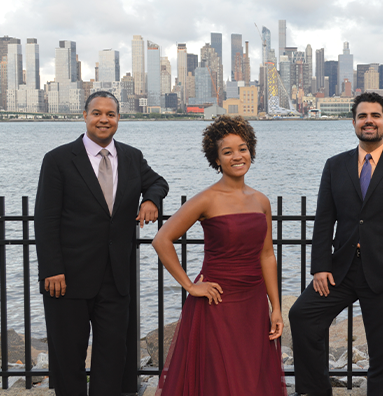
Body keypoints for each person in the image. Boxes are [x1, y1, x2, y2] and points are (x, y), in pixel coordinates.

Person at [289, 92, 383, 396]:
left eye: (375, 116)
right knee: (303, 315)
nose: (369, 121)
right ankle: (316, 391)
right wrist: (320, 267)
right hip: (340, 270)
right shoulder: (335, 165)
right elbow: (324, 220)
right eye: (362, 116)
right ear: (353, 122)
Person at [34, 91, 169, 396]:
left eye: (111, 114)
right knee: (68, 357)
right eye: (97, 113)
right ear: (85, 116)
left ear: (118, 119)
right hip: (67, 279)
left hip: (115, 278)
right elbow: (45, 219)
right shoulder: (58, 160)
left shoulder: (132, 157)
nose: (104, 119)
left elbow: (158, 182)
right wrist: (51, 270)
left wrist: (151, 199)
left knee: (112, 356)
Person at [152, 115, 286, 396]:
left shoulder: (260, 201)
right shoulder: (206, 199)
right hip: (217, 302)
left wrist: (275, 307)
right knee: (219, 381)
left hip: (253, 302)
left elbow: (266, 255)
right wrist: (190, 285)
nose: (237, 156)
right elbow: (162, 240)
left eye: (243, 149)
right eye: (228, 152)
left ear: (251, 151)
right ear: (216, 160)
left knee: (251, 376)